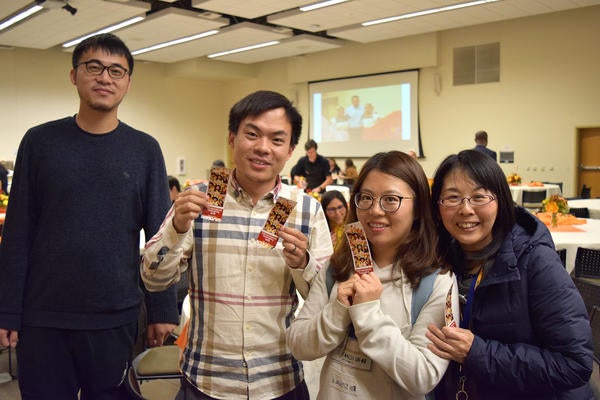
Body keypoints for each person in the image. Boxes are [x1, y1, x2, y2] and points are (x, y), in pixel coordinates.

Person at [0, 33, 178, 399]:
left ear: (128, 82)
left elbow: (164, 237)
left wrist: (163, 309)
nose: (105, 77)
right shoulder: (40, 142)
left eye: (116, 70)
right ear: (74, 75)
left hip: (115, 315)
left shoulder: (144, 150)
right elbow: (17, 233)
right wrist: (8, 311)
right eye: (93, 67)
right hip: (44, 316)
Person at [141, 90, 334, 399]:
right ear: (232, 138)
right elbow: (153, 279)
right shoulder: (199, 200)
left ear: (290, 150)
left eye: (276, 139)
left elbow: (326, 301)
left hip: (279, 380)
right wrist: (177, 228)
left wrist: (304, 265)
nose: (262, 148)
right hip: (206, 380)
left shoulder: (307, 210)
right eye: (252, 134)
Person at [287, 150, 458, 399]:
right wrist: (337, 310)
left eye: (391, 199)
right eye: (365, 198)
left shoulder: (437, 282)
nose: (375, 210)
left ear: (419, 207)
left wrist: (367, 314)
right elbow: (297, 343)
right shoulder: (338, 268)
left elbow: (424, 375)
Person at [426, 149, 593, 399]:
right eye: (452, 198)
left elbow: (575, 364)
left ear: (501, 200)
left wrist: (477, 353)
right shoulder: (440, 257)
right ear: (437, 206)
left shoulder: (535, 260)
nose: (466, 209)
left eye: (479, 196)